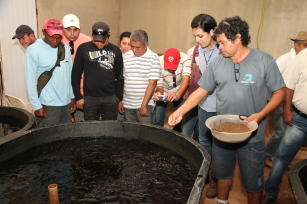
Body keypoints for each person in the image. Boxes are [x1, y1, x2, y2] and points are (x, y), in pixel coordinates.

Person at [168, 16, 285, 204]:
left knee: (253, 182)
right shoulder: (218, 62)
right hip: (222, 132)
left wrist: (261, 114)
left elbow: (279, 92)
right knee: (222, 174)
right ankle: (222, 201)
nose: (219, 47)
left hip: (252, 134)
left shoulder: (264, 60)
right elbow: (201, 91)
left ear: (237, 37)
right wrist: (180, 111)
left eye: (222, 43)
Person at [263, 48, 307, 204]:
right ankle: (270, 192)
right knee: (282, 157)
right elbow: (289, 86)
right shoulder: (303, 56)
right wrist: (287, 110)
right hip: (300, 120)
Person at [265, 31, 307, 166]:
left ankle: (278, 158)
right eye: (306, 45)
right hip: (282, 101)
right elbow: (270, 80)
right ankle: (267, 156)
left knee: (286, 134)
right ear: (297, 45)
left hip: (294, 103)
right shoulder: (284, 60)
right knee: (280, 131)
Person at [25, 18, 75, 127]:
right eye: (51, 37)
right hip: (47, 104)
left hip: (66, 104)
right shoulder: (33, 50)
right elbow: (30, 80)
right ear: (43, 32)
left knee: (65, 135)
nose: (55, 40)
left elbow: (69, 74)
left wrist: (72, 96)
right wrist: (36, 106)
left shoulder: (65, 48)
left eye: (58, 37)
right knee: (46, 138)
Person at [71, 22, 123, 121]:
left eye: (102, 41)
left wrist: (118, 98)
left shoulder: (116, 51)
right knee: (90, 129)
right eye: (96, 41)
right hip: (90, 98)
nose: (99, 43)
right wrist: (78, 97)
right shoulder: (83, 49)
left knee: (110, 128)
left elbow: (120, 76)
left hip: (110, 98)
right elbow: (75, 75)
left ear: (108, 37)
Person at [119, 30, 161, 124]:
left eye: (138, 47)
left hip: (144, 105)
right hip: (128, 105)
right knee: (129, 133)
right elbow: (124, 80)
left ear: (146, 44)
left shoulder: (153, 58)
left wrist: (144, 105)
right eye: (132, 46)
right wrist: (122, 100)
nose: (134, 50)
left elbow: (152, 83)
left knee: (145, 135)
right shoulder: (126, 56)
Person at [62, 14, 91, 122]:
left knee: (82, 122)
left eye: (76, 30)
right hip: (63, 91)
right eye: (69, 30)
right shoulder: (56, 41)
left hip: (82, 89)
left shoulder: (88, 41)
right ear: (63, 29)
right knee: (64, 123)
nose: (73, 34)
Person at [153, 48, 191, 130]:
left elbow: (186, 79)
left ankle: (177, 132)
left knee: (179, 116)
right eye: (169, 67)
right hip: (165, 89)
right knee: (158, 116)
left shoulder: (186, 59)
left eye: (173, 67)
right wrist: (160, 93)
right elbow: (159, 86)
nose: (171, 69)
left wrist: (177, 94)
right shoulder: (158, 62)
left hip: (180, 89)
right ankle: (157, 132)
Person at [117, 31, 131, 121]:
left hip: (131, 98)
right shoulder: (115, 55)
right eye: (124, 43)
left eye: (129, 44)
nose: (126, 47)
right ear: (120, 43)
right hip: (117, 97)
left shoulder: (137, 58)